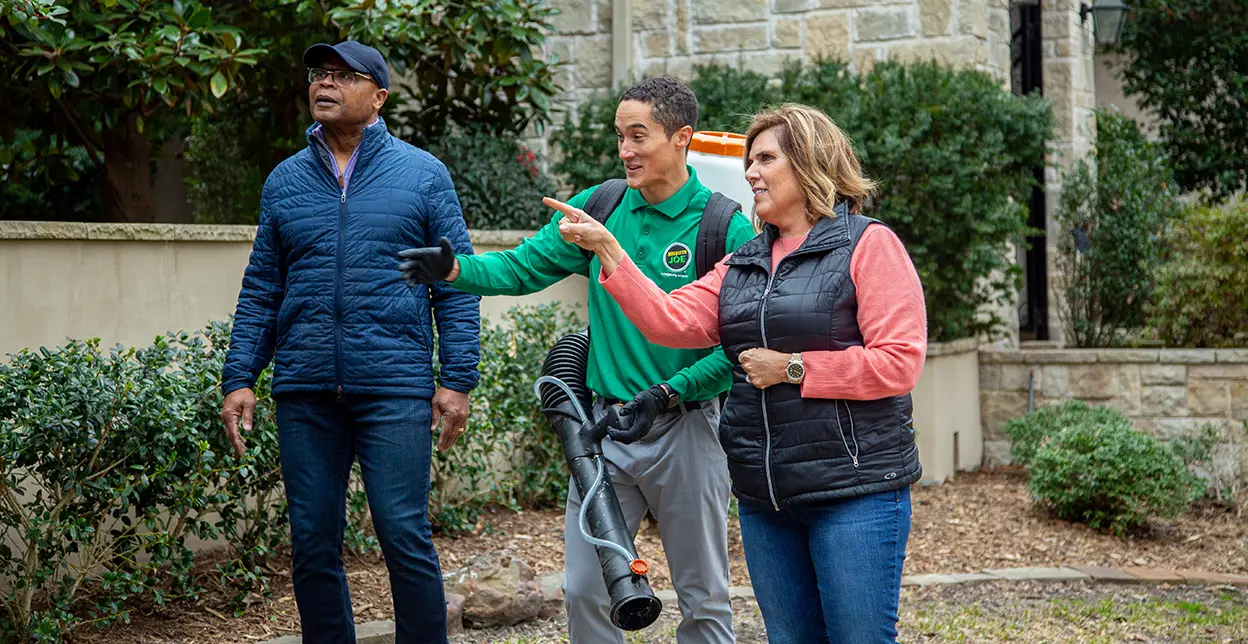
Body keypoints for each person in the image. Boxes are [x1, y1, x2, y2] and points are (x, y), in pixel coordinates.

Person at [549, 103, 927, 644]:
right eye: (749, 161)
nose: (750, 172)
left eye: (766, 159)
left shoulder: (869, 245)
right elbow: (669, 319)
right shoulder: (745, 261)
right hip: (765, 495)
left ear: (809, 162)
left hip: (853, 490)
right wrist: (609, 250)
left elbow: (900, 362)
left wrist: (793, 368)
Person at [398, 77, 754, 643]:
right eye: (619, 137)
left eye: (639, 136)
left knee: (703, 595)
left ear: (682, 137)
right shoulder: (600, 207)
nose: (626, 151)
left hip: (686, 430)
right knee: (586, 590)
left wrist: (668, 391)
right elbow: (521, 267)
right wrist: (454, 269)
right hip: (606, 433)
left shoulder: (722, 225)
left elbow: (734, 350)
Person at [219, 41, 481, 644]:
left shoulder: (420, 176)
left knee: (403, 534)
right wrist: (240, 377)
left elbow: (454, 284)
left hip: (392, 386)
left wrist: (457, 379)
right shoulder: (286, 180)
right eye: (319, 74)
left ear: (379, 96)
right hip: (306, 391)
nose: (326, 84)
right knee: (311, 540)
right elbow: (262, 288)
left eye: (343, 75)